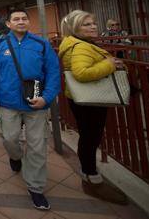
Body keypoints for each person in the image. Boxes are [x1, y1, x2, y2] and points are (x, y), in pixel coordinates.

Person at [0, 8, 60, 210]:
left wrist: (47, 98)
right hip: (7, 102)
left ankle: (35, 187)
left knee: (37, 145)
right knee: (9, 138)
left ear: (29, 22)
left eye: (24, 18)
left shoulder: (41, 44)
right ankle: (15, 156)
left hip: (37, 103)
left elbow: (53, 72)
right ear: (8, 24)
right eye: (16, 19)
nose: (21, 21)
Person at [58, 10, 128, 204]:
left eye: (93, 23)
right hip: (89, 101)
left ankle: (90, 176)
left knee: (89, 137)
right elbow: (81, 73)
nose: (94, 26)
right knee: (90, 138)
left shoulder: (77, 42)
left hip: (85, 99)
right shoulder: (80, 46)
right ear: (75, 28)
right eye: (86, 24)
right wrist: (110, 64)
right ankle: (92, 180)